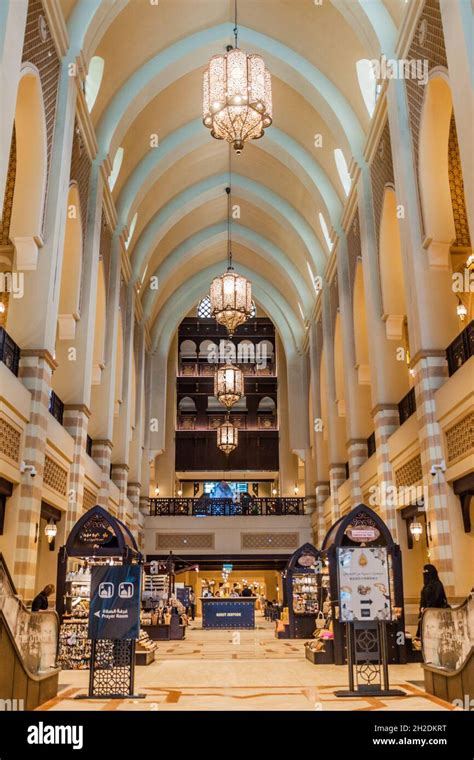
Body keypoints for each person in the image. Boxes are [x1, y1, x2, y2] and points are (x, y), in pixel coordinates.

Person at [416, 564, 449, 637]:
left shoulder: (437, 584)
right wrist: (422, 608)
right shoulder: (426, 586)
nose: (424, 573)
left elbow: (437, 599)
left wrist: (427, 608)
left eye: (426, 571)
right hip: (426, 614)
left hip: (434, 615)